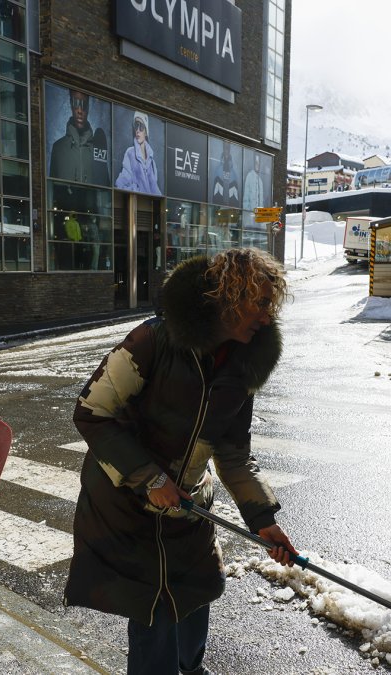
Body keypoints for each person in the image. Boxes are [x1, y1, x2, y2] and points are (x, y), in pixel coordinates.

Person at [65, 247, 299, 675]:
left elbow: (233, 454)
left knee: (195, 595)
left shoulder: (244, 364)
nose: (268, 317)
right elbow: (92, 412)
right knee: (155, 614)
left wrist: (262, 518)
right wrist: (149, 478)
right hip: (129, 504)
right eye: (262, 303)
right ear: (231, 296)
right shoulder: (153, 340)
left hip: (188, 504)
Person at [49, 89, 110, 185]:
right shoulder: (58, 148)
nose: (80, 110)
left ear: (88, 107)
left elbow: (105, 187)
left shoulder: (97, 148)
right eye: (76, 103)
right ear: (71, 104)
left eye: (84, 104)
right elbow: (51, 188)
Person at [115, 111, 161, 195]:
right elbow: (121, 185)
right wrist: (138, 190)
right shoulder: (130, 153)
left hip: (149, 202)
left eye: (141, 127)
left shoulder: (152, 162)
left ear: (146, 132)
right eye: (136, 125)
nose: (138, 130)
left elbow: (155, 190)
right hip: (136, 200)